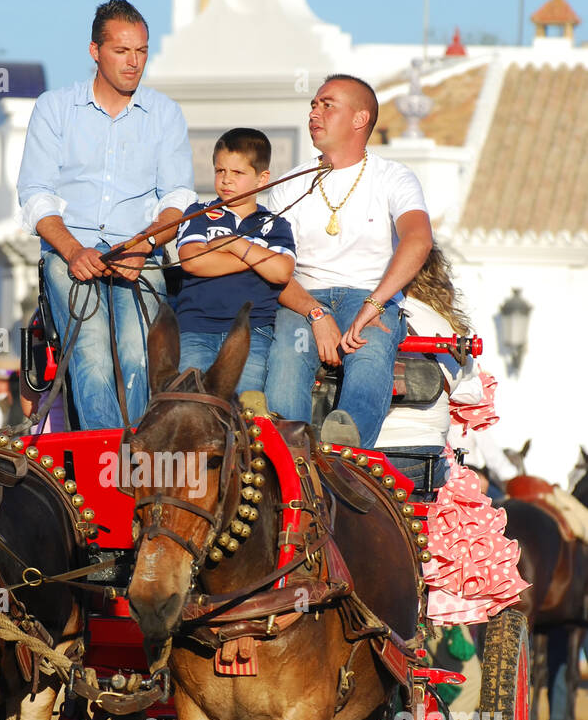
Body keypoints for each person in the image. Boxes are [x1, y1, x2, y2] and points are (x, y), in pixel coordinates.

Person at [17, 0, 195, 430]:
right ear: (95, 51)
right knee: (91, 351)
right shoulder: (54, 108)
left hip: (139, 252)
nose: (134, 62)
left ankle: (133, 455)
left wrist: (146, 244)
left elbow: (178, 198)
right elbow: (36, 194)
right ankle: (108, 460)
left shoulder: (166, 115)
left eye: (142, 51)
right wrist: (74, 251)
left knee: (138, 356)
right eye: (122, 51)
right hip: (68, 251)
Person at [263, 74, 432, 447]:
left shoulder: (394, 177)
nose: (314, 113)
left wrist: (376, 303)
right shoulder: (289, 183)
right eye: (313, 104)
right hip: (303, 299)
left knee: (371, 350)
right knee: (289, 355)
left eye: (327, 104)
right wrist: (315, 313)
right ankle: (290, 458)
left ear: (360, 119)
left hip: (370, 296)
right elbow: (271, 266)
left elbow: (418, 239)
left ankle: (345, 453)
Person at [174, 129, 296, 392]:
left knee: (241, 412)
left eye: (237, 173)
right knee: (191, 405)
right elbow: (193, 262)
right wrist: (259, 257)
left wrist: (235, 243)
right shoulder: (199, 213)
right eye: (220, 171)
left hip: (251, 332)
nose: (226, 180)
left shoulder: (275, 225)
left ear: (262, 179)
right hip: (196, 329)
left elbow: (282, 272)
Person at [376, 243, 483, 499]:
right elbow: (472, 394)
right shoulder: (447, 328)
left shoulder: (366, 315)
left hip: (367, 451)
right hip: (423, 457)